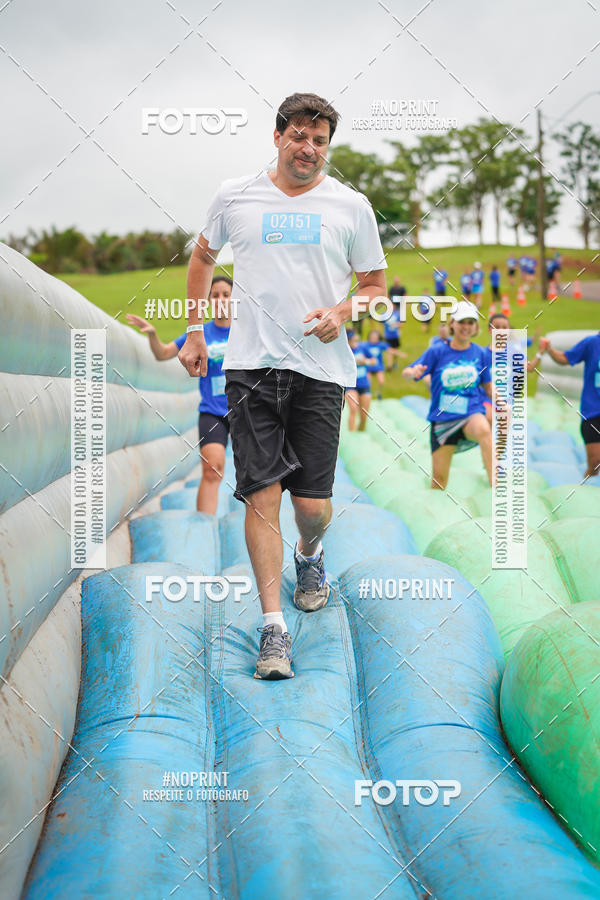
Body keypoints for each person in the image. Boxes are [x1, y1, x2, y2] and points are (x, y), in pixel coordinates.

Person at [178, 92, 387, 680]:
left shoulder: (351, 206)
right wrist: (195, 331)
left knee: (313, 507)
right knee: (261, 495)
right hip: (250, 368)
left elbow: (375, 286)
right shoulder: (235, 195)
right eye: (299, 136)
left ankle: (310, 554)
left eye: (320, 141)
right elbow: (201, 259)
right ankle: (273, 628)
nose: (309, 148)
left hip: (321, 371)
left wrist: (345, 310)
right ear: (277, 136)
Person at [126, 276, 232, 514]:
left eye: (226, 294)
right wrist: (152, 334)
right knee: (212, 469)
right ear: (208, 301)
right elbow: (163, 353)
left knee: (256, 474)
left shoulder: (246, 333)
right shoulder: (199, 333)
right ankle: (205, 527)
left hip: (246, 411)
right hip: (213, 412)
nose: (221, 300)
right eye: (215, 295)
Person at [402, 300, 493, 489]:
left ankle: (496, 486)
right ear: (452, 323)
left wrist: (502, 403)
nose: (466, 327)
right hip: (443, 422)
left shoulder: (480, 353)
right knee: (439, 482)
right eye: (462, 322)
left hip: (470, 415)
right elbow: (407, 372)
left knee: (484, 428)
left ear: (476, 326)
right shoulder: (437, 351)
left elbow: (489, 387)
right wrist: (413, 373)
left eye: (470, 322)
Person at [538, 332, 600, 479]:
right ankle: (585, 494)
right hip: (593, 412)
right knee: (595, 462)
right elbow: (565, 358)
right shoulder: (592, 343)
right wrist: (550, 350)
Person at [346, 333, 376, 430]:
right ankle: (351, 436)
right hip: (350, 385)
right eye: (353, 340)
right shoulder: (345, 351)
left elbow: (374, 361)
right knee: (353, 409)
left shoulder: (363, 348)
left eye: (356, 340)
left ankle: (361, 432)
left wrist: (365, 361)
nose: (355, 342)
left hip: (364, 385)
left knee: (364, 415)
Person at [363, 328, 388, 397]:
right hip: (368, 367)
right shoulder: (365, 345)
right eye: (372, 336)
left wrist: (400, 354)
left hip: (378, 367)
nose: (373, 338)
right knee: (367, 381)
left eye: (375, 337)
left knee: (381, 381)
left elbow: (390, 350)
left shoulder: (381, 345)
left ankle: (378, 393)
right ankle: (367, 393)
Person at [383, 301, 403, 370]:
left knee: (395, 350)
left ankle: (395, 362)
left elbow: (401, 324)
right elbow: (381, 324)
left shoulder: (397, 314)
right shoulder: (384, 315)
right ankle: (389, 365)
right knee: (389, 350)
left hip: (395, 335)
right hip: (388, 336)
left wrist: (397, 325)